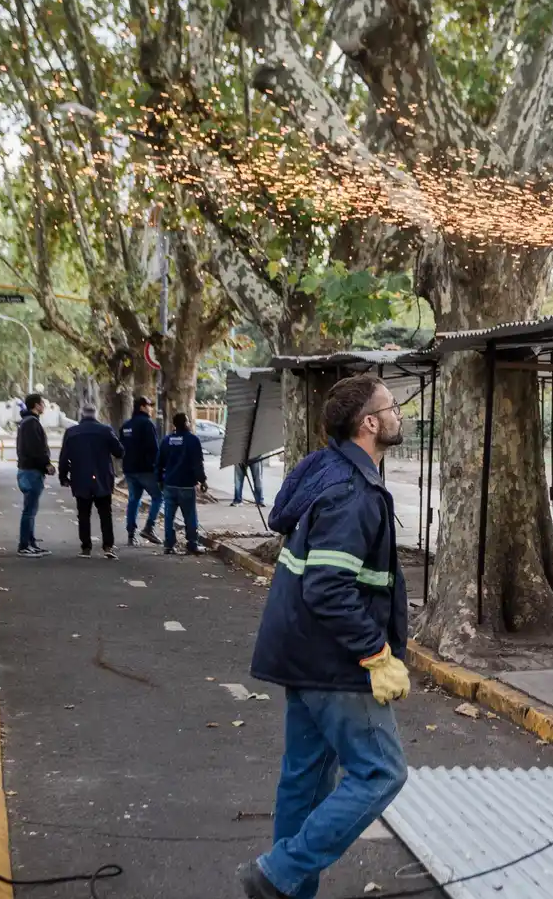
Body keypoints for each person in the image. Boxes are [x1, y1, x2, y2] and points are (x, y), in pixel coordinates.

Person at [238, 376, 408, 899]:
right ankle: (279, 872)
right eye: (391, 406)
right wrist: (377, 654)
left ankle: (285, 887)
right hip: (334, 661)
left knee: (306, 778)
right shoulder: (351, 492)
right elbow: (331, 587)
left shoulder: (327, 472)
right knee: (382, 772)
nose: (399, 412)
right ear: (369, 424)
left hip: (302, 654)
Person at [59, 402, 125, 558]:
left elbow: (64, 457)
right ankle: (108, 546)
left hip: (80, 478)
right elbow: (119, 452)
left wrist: (63, 476)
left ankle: (86, 547)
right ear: (95, 414)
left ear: (82, 414)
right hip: (102, 478)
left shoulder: (71, 432)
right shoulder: (105, 431)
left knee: (83, 514)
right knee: (105, 513)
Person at [156, 412, 208, 555]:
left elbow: (159, 463)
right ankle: (192, 544)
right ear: (186, 423)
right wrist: (202, 480)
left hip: (170, 484)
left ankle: (169, 545)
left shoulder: (167, 440)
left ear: (174, 425)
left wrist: (159, 480)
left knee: (168, 516)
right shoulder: (193, 440)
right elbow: (198, 464)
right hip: (186, 484)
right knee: (190, 516)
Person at [119, 396, 163, 545]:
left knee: (133, 500)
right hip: (146, 469)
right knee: (158, 497)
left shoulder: (126, 426)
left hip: (129, 470)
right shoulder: (147, 424)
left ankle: (131, 534)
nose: (151, 408)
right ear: (142, 407)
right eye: (149, 405)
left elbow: (120, 447)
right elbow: (154, 449)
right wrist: (159, 468)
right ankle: (149, 527)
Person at [15, 394, 54, 556]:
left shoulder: (28, 422)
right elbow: (35, 449)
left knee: (30, 509)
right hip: (31, 471)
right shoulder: (31, 423)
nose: (44, 406)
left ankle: (30, 542)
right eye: (42, 403)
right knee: (29, 510)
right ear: (36, 405)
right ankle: (24, 545)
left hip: (28, 470)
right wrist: (46, 464)